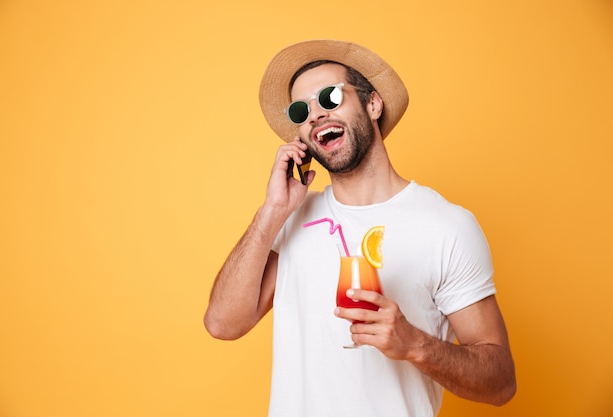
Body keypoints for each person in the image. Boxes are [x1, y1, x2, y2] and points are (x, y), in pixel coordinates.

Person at [204, 39, 516, 417]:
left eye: (330, 98)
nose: (315, 115)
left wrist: (415, 344)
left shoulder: (446, 226)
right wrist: (271, 211)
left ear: (373, 104)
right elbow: (222, 324)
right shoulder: (291, 218)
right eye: (301, 110)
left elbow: (501, 383)